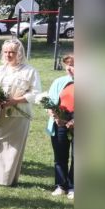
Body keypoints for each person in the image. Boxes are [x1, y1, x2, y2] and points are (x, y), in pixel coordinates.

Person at [0, 39, 42, 186]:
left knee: (10, 148)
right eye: (5, 52)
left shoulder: (29, 71)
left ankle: (3, 180)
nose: (8, 55)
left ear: (19, 53)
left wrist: (15, 101)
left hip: (17, 116)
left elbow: (36, 93)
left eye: (12, 52)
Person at [46, 54, 74, 198]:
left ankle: (73, 187)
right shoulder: (59, 81)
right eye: (68, 64)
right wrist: (56, 117)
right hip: (60, 123)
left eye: (73, 65)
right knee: (60, 156)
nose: (70, 68)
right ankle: (61, 185)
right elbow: (49, 102)